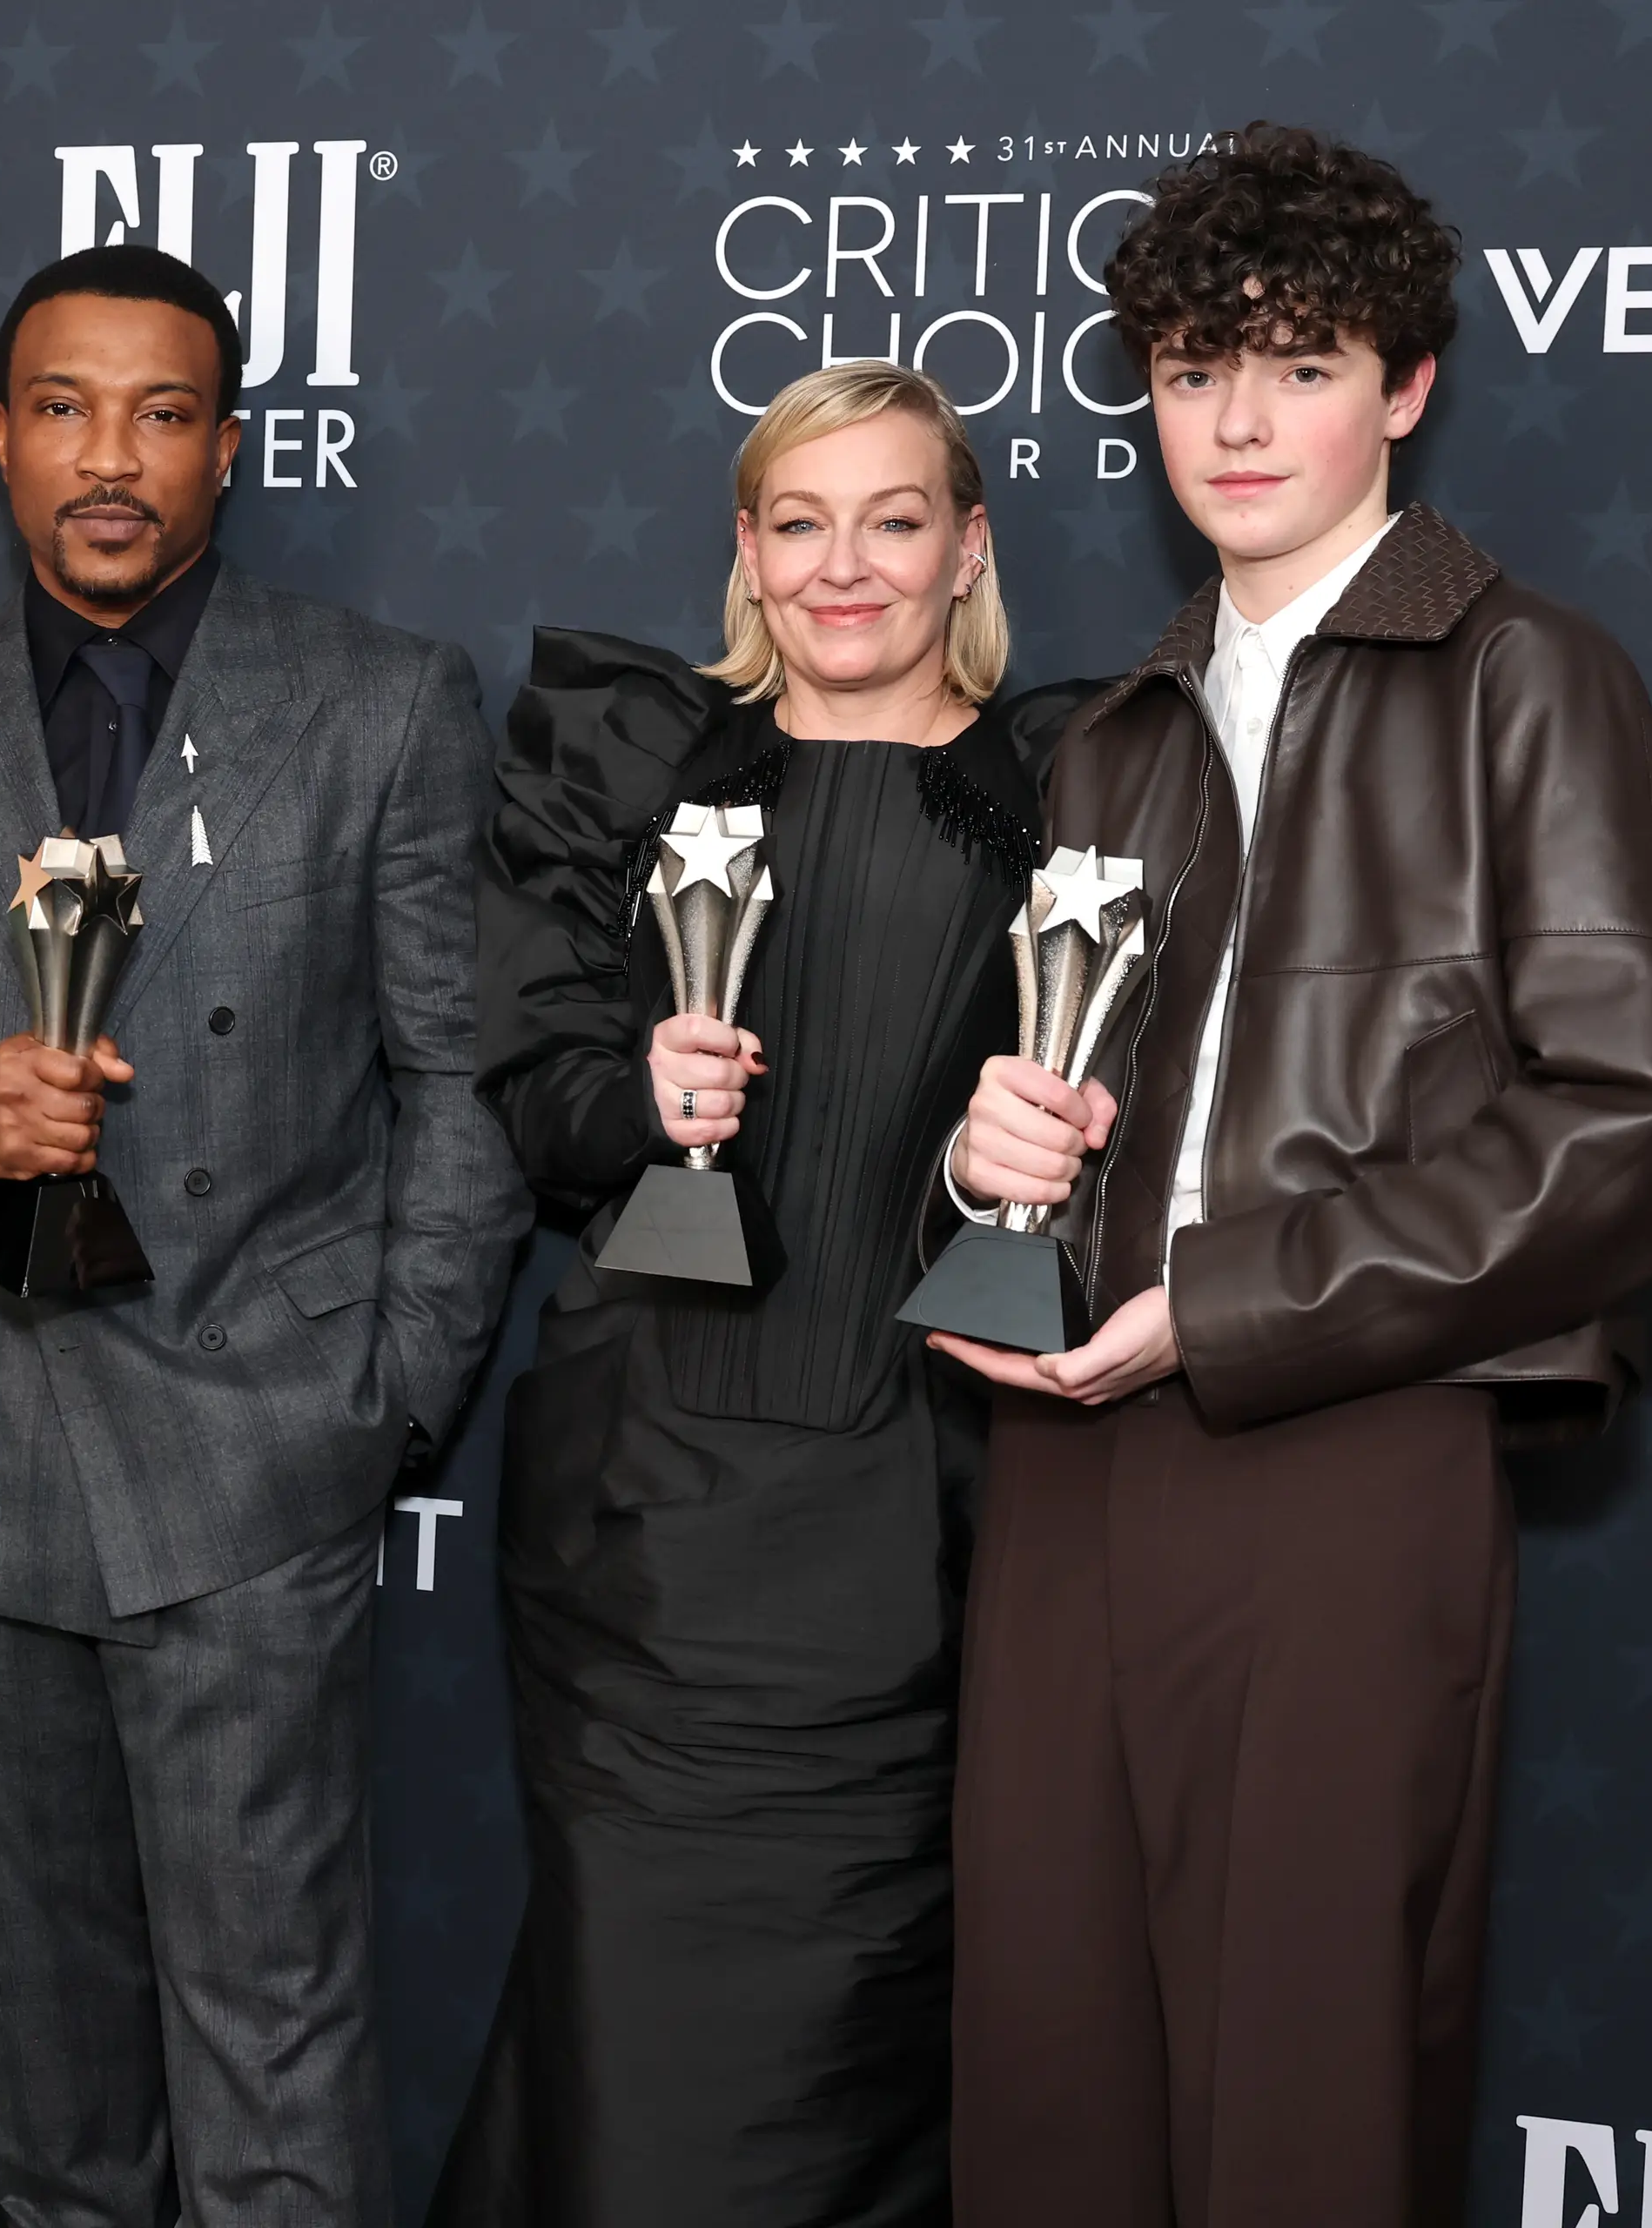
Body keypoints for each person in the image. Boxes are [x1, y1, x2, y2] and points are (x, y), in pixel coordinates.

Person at [930, 126, 1652, 2225]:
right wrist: (988, 1150)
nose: (1235, 417)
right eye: (1191, 366)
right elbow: (1073, 1085)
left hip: (1352, 1434)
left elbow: (1634, 1108)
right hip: (1061, 1447)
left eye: (1292, 362)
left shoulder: (1525, 675)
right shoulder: (1106, 730)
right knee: (1045, 2075)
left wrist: (1230, 1296)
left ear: (1402, 384)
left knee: (1302, 2094)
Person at [0, 244, 529, 2227]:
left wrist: (380, 1398)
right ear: (1, 437)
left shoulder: (376, 704)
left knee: (269, 2036)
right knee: (52, 2063)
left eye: (163, 414)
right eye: (68, 410)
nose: (113, 458)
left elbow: (462, 1082)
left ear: (227, 446)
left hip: (249, 1448)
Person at [436, 360, 1088, 2227]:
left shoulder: (1066, 787)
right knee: (631, 2033)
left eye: (895, 521)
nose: (846, 567)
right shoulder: (628, 764)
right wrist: (632, 1095)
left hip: (932, 1527)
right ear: (745, 548)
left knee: (863, 2050)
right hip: (647, 1537)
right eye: (800, 523)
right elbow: (532, 1082)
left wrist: (1027, 1157)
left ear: (969, 546)